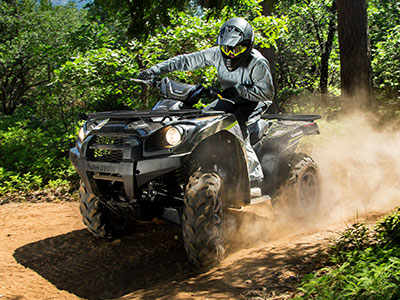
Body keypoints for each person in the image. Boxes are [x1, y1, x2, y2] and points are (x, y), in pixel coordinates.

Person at [138, 17, 274, 192]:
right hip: (230, 97)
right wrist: (155, 70)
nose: (231, 53)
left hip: (256, 100)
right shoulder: (217, 54)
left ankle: (254, 178)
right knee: (203, 119)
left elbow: (267, 92)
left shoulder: (258, 62)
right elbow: (186, 60)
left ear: (248, 45)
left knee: (238, 126)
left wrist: (240, 91)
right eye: (227, 48)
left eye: (237, 49)